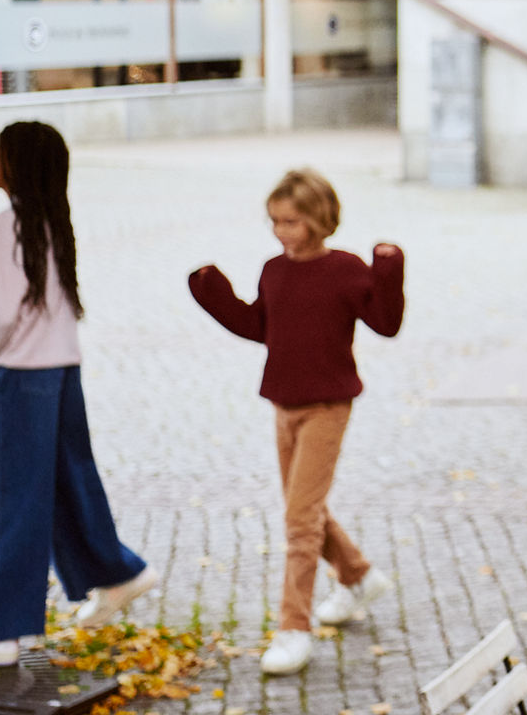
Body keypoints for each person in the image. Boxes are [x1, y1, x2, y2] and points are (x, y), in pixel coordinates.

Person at [187, 168, 403, 677]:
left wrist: (389, 267)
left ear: (319, 219)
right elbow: (257, 325)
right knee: (303, 507)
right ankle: (357, 576)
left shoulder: (345, 270)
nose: (282, 231)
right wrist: (211, 292)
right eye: (275, 221)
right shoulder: (273, 271)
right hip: (283, 404)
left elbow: (386, 323)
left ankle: (293, 628)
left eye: (292, 222)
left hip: (328, 405)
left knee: (300, 520)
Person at [0, 121, 159, 666]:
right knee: (68, 480)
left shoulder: (7, 226)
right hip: (60, 370)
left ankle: (3, 630)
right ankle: (118, 574)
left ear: (16, 165)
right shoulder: (48, 222)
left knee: (9, 497)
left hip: (19, 376)